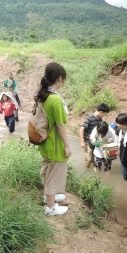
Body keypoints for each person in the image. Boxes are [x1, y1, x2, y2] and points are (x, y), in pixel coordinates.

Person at [37, 62, 71, 216]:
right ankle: (50, 207)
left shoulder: (44, 95)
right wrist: (68, 146)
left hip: (44, 140)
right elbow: (60, 126)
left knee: (46, 168)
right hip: (55, 143)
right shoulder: (55, 100)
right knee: (54, 174)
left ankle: (48, 196)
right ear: (59, 78)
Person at [79, 103, 110, 168]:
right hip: (88, 141)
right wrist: (82, 141)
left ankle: (94, 174)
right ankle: (85, 172)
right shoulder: (90, 118)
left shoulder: (100, 119)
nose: (105, 115)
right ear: (101, 112)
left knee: (94, 159)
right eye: (105, 114)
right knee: (89, 159)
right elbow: (81, 129)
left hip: (95, 141)